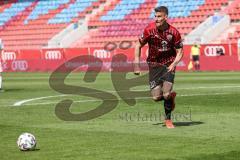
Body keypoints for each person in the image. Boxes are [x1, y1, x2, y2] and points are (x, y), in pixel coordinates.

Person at [134, 6, 183, 129]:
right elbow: (137, 46)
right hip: (154, 64)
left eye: (159, 16)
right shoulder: (149, 30)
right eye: (155, 16)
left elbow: (180, 51)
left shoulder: (174, 32)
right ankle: (171, 98)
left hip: (168, 64)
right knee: (156, 97)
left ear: (166, 17)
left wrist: (173, 64)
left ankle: (168, 120)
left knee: (166, 94)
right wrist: (136, 65)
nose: (156, 19)